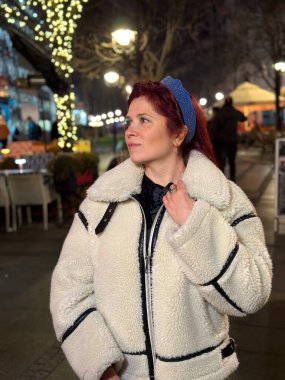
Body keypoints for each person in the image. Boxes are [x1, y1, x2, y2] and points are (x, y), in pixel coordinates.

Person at [50, 77, 272, 380]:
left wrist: (195, 224)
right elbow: (69, 291)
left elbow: (252, 293)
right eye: (129, 120)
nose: (130, 130)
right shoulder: (102, 203)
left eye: (144, 120)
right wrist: (100, 366)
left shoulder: (223, 200)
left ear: (178, 133)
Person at [212, 96, 247, 182]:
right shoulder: (234, 112)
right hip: (232, 141)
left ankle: (222, 179)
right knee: (232, 162)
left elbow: (214, 128)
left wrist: (212, 140)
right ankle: (233, 179)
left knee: (222, 162)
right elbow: (243, 118)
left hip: (222, 141)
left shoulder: (220, 113)